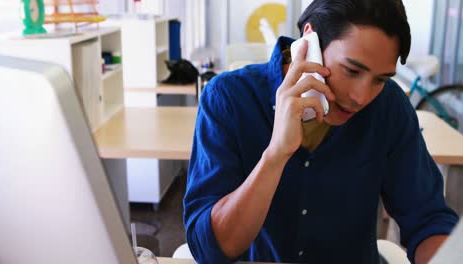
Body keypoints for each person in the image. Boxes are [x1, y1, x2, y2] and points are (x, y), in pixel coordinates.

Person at [183, 0, 459, 263]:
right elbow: (211, 250)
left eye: (380, 79)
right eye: (351, 70)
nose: (360, 97)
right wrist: (276, 154)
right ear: (310, 39)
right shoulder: (229, 98)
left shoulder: (390, 107)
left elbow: (427, 219)